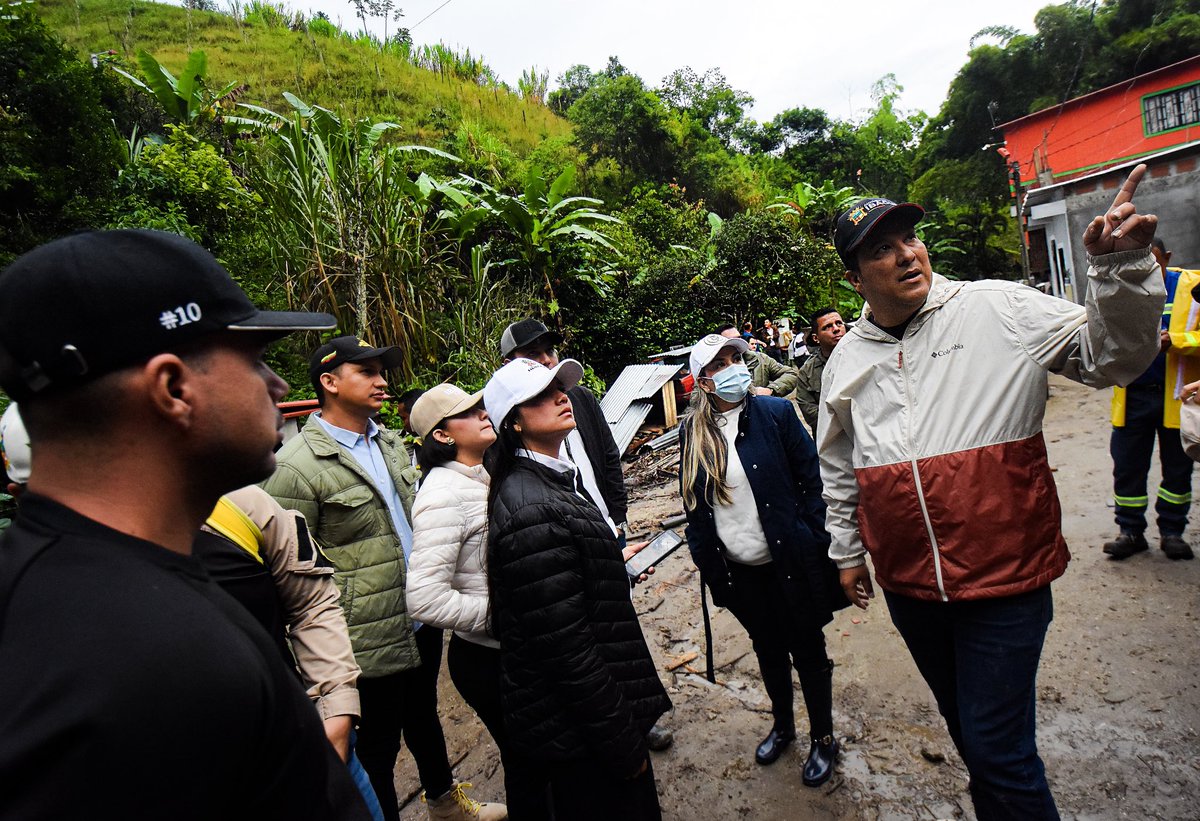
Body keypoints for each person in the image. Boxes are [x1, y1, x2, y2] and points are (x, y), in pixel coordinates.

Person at [819, 170, 1163, 819]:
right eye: (880, 248)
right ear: (855, 278)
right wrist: (847, 553)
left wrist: (1120, 270)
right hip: (913, 590)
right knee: (971, 736)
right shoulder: (846, 359)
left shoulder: (998, 309)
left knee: (998, 749)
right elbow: (840, 467)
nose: (906, 253)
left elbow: (1113, 355)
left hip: (1006, 583)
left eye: (909, 237)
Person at [0, 228, 369, 819]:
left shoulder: (64, 598)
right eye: (255, 360)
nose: (278, 387)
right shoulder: (151, 667)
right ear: (173, 388)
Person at [263, 336, 504, 821]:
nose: (382, 381)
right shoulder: (296, 468)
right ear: (329, 383)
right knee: (375, 746)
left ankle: (444, 803)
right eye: (368, 372)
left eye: (382, 371)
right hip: (361, 635)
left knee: (423, 716)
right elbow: (287, 570)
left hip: (417, 618)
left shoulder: (390, 442)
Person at [483, 357, 672, 820]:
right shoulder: (531, 508)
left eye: (559, 389)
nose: (560, 398)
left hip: (587, 720)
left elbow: (567, 589)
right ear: (514, 423)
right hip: (582, 733)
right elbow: (568, 651)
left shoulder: (549, 479)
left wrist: (611, 565)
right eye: (541, 396)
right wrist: (622, 741)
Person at [678, 333, 846, 787]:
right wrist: (710, 565)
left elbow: (813, 483)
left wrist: (811, 539)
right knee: (768, 650)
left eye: (736, 358)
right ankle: (784, 727)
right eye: (721, 363)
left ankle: (824, 738)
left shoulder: (775, 414)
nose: (734, 367)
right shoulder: (693, 433)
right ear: (703, 381)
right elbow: (695, 508)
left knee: (808, 650)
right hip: (741, 573)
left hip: (789, 563)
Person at [403, 385, 513, 820]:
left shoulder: (480, 475)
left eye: (481, 405)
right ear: (443, 436)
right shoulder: (442, 495)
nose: (484, 414)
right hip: (487, 659)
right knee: (528, 764)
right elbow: (424, 598)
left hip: (506, 651)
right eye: (468, 411)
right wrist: (500, 617)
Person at [1103, 237, 1198, 561]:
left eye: (1153, 263)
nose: (1146, 272)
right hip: (1133, 398)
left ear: (1167, 258)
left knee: (1177, 469)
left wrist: (1177, 340)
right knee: (1127, 467)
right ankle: (1130, 532)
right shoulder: (1122, 290)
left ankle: (1172, 532)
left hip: (1176, 398)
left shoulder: (1193, 286)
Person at [793, 308, 846, 433]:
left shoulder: (863, 357)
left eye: (839, 323)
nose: (836, 329)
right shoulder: (807, 372)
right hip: (834, 443)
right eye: (827, 327)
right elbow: (811, 414)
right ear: (816, 338)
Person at [716, 324, 799, 402]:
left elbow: (791, 374)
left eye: (738, 338)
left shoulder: (760, 359)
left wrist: (771, 390)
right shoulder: (712, 369)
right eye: (730, 340)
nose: (736, 343)